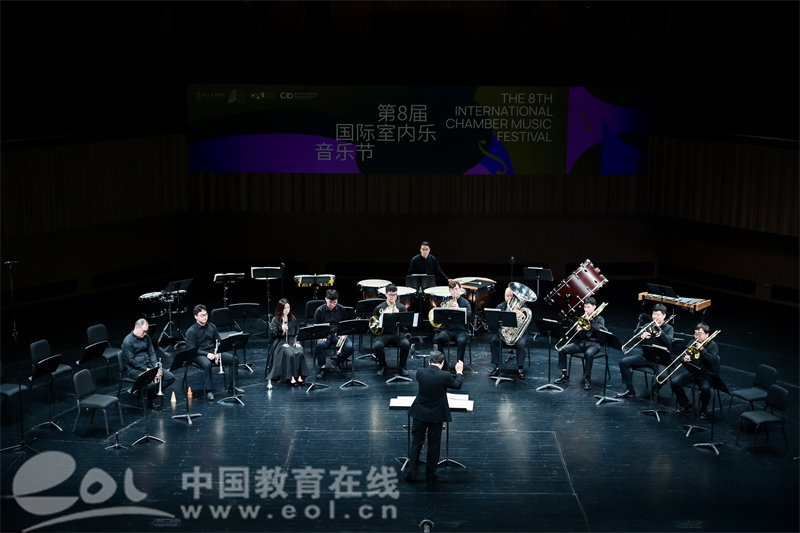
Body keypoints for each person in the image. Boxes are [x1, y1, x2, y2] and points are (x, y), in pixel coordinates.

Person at [405, 351, 464, 483]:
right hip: (436, 414)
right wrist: (459, 371)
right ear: (442, 363)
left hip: (420, 412)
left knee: (416, 443)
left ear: (429, 361)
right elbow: (457, 385)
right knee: (434, 444)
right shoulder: (445, 375)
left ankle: (411, 473)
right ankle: (430, 474)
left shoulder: (420, 372)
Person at [185, 304, 242, 401]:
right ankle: (209, 391)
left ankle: (232, 386)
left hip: (213, 352)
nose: (205, 317)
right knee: (207, 364)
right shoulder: (191, 331)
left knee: (234, 359)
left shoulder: (212, 326)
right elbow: (191, 349)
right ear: (195, 317)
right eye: (202, 315)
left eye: (206, 314)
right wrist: (207, 354)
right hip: (198, 354)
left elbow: (218, 341)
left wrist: (218, 351)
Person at [616, 303, 673, 398]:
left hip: (661, 360)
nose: (655, 317)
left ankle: (655, 389)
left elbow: (669, 341)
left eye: (658, 315)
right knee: (623, 362)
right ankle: (630, 390)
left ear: (664, 315)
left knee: (663, 377)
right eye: (654, 314)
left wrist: (659, 331)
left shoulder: (669, 328)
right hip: (646, 357)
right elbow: (636, 339)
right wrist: (641, 336)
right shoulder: (647, 325)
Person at [121, 318, 175, 408]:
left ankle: (148, 395)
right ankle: (146, 396)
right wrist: (147, 370)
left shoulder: (146, 337)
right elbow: (132, 360)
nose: (145, 333)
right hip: (135, 369)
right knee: (152, 383)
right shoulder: (127, 342)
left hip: (149, 365)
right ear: (136, 328)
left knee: (170, 377)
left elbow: (151, 352)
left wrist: (155, 368)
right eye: (144, 331)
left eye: (146, 331)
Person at [670, 323, 720, 420]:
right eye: (695, 334)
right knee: (674, 382)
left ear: (707, 334)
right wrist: (685, 358)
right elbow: (684, 356)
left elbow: (712, 361)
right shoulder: (692, 342)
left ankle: (703, 410)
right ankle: (685, 404)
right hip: (694, 372)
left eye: (700, 334)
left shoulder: (712, 345)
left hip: (706, 375)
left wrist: (702, 350)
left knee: (705, 389)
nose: (697, 336)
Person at [554, 297, 605, 390]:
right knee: (562, 350)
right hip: (581, 343)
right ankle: (564, 375)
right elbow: (576, 336)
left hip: (594, 344)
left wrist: (591, 321)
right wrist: (577, 329)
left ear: (594, 307)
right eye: (585, 307)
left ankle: (587, 379)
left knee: (588, 354)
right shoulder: (582, 318)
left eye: (588, 307)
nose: (586, 310)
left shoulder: (599, 318)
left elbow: (601, 331)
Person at [488, 286, 531, 380]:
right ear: (504, 295)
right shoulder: (500, 307)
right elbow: (494, 324)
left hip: (519, 334)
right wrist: (501, 326)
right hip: (504, 333)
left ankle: (520, 368)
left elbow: (526, 322)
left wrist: (522, 315)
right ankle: (497, 366)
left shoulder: (522, 307)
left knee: (521, 344)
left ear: (514, 296)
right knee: (494, 341)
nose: (509, 298)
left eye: (511, 296)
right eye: (507, 296)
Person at [266, 299, 308, 387]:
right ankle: (291, 377)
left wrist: (296, 342)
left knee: (300, 351)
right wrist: (281, 330)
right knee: (289, 353)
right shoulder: (275, 320)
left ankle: (299, 376)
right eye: (284, 308)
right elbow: (273, 334)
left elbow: (297, 333)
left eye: (288, 308)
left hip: (291, 340)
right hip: (280, 342)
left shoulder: (292, 319)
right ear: (280, 309)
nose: (286, 310)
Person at [313, 289, 354, 379]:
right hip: (325, 335)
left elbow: (345, 324)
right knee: (319, 345)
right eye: (330, 302)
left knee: (350, 347)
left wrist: (343, 334)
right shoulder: (319, 310)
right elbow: (316, 327)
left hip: (338, 334)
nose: (332, 304)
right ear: (326, 299)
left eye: (334, 302)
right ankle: (322, 369)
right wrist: (321, 335)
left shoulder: (341, 309)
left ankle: (336, 361)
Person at [372, 284, 411, 377]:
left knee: (406, 344)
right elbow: (373, 323)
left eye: (395, 294)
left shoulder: (401, 307)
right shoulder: (379, 308)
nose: (393, 297)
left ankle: (402, 366)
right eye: (390, 295)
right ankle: (382, 365)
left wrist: (398, 316)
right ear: (386, 294)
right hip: (383, 334)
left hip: (397, 333)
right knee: (377, 346)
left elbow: (405, 326)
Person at [432, 280, 472, 368]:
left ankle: (459, 365)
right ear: (450, 291)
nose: (455, 291)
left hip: (461, 331)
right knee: (437, 339)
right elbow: (441, 318)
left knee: (461, 341)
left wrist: (458, 309)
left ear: (460, 290)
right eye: (452, 289)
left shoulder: (465, 303)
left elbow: (469, 317)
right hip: (448, 330)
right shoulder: (446, 301)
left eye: (456, 289)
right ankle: (443, 364)